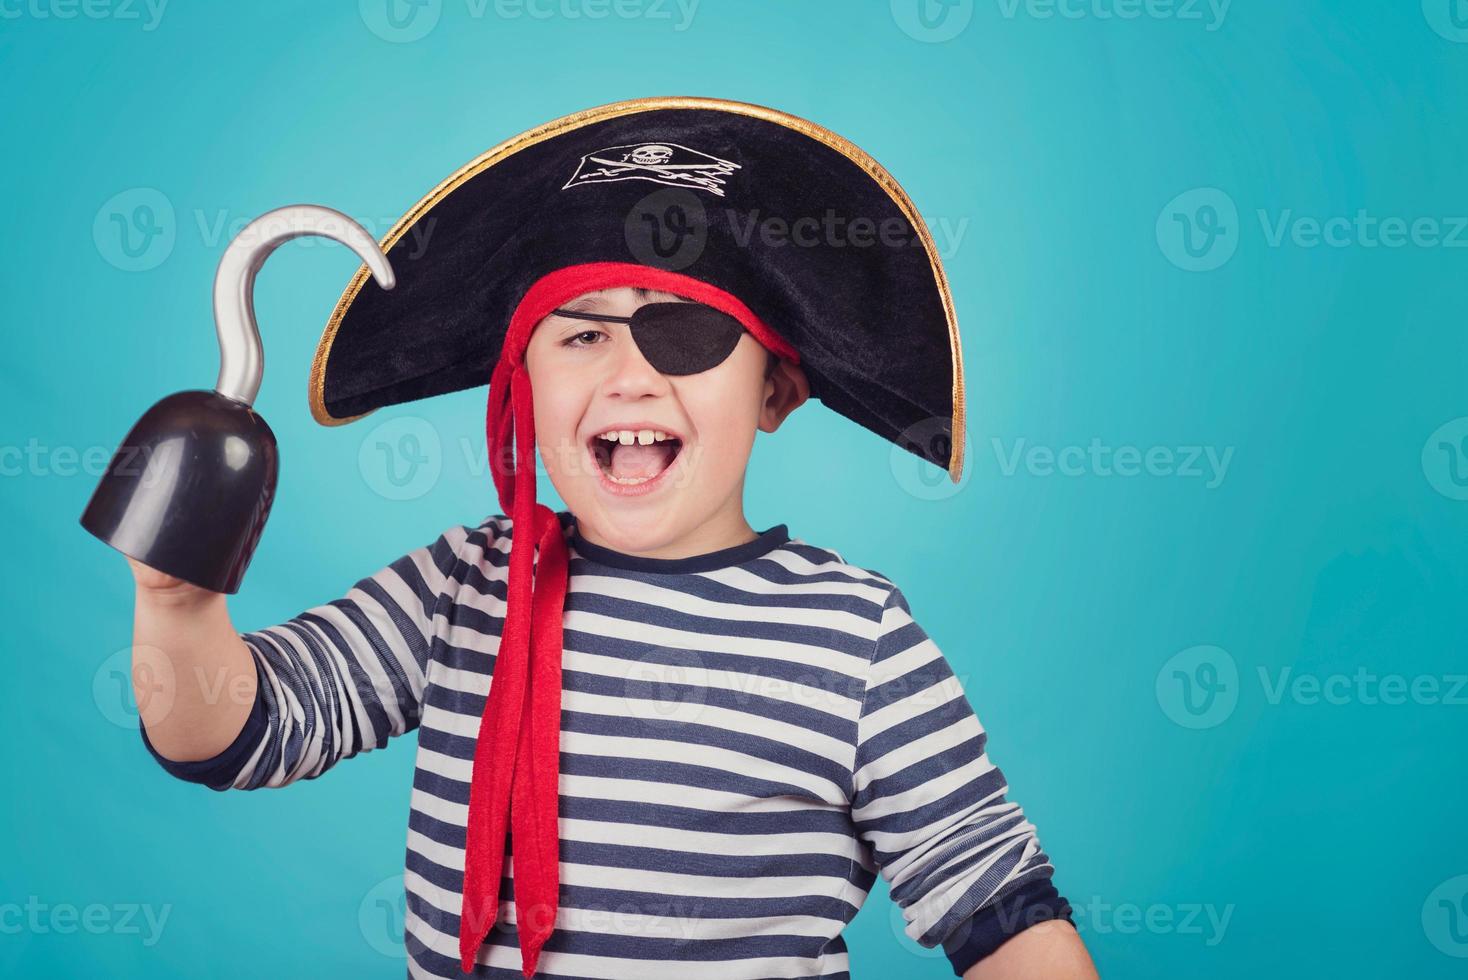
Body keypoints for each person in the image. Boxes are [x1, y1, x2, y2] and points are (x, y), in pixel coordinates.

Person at [129, 97, 1099, 979]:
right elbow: (237, 732)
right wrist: (178, 600)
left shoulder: (856, 637)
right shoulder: (462, 587)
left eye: (684, 332)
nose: (629, 376)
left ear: (775, 390)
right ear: (523, 382)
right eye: (581, 333)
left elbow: (999, 909)